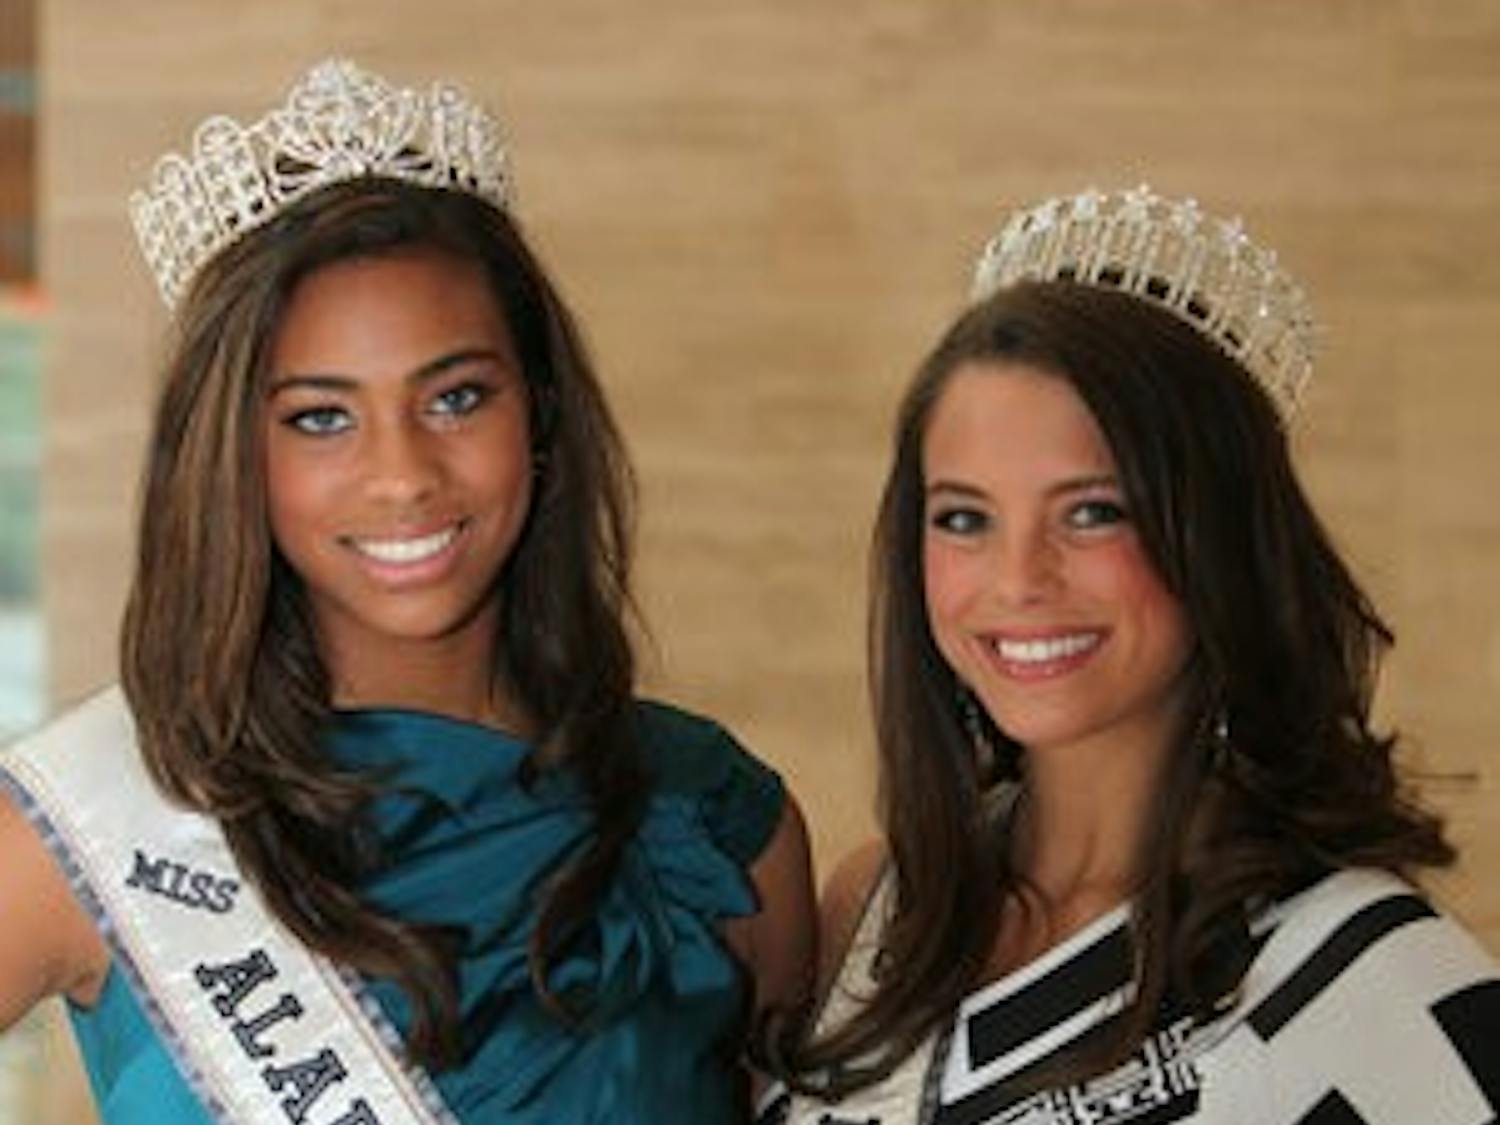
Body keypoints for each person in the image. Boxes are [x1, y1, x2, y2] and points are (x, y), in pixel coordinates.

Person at [0, 58, 814, 1124]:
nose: (403, 475)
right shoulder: (98, 829)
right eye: (320, 418)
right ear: (235, 458)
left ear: (541, 413)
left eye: (457, 397)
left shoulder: (712, 825)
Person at [765, 186, 1499, 1124]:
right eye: (964, 518)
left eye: (1092, 511)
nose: (1018, 578)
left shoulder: (1365, 970)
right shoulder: (879, 909)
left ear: (1216, 539)